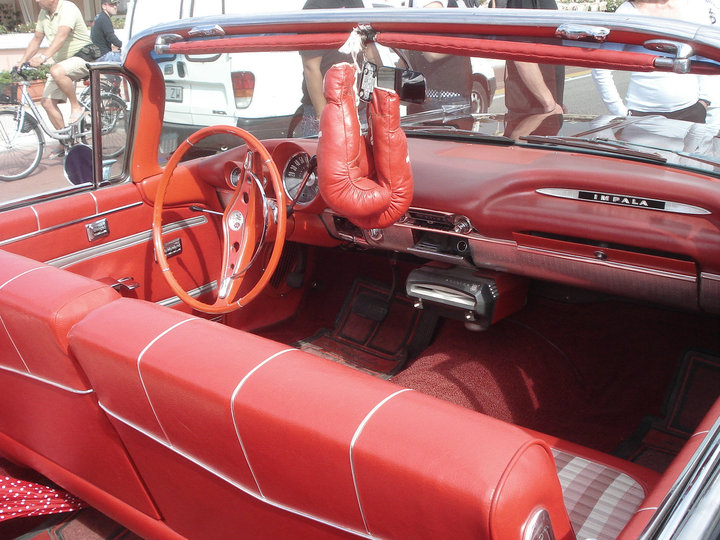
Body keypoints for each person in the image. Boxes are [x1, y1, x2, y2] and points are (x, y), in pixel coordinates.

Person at [592, 0, 714, 123]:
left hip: (692, 111)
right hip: (641, 114)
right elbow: (601, 65)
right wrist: (619, 111)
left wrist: (704, 100)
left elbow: (707, 57)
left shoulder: (693, 7)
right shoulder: (627, 11)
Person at [15, 0, 94, 131]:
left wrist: (43, 57)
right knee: (47, 102)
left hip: (83, 56)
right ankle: (66, 140)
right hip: (62, 63)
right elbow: (36, 39)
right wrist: (22, 61)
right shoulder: (43, 13)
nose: (36, 1)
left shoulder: (67, 8)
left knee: (56, 71)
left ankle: (76, 107)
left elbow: (61, 36)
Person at [493, 0, 565, 138]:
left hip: (544, 114)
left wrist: (555, 103)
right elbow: (521, 55)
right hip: (532, 116)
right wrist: (550, 104)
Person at [299, 0, 368, 136]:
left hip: (358, 107)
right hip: (325, 107)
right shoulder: (316, 7)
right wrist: (324, 117)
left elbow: (367, 47)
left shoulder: (355, 2)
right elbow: (310, 67)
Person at [405, 0, 473, 117]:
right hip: (445, 98)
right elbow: (432, 53)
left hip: (441, 96)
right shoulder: (434, 4)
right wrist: (468, 41)